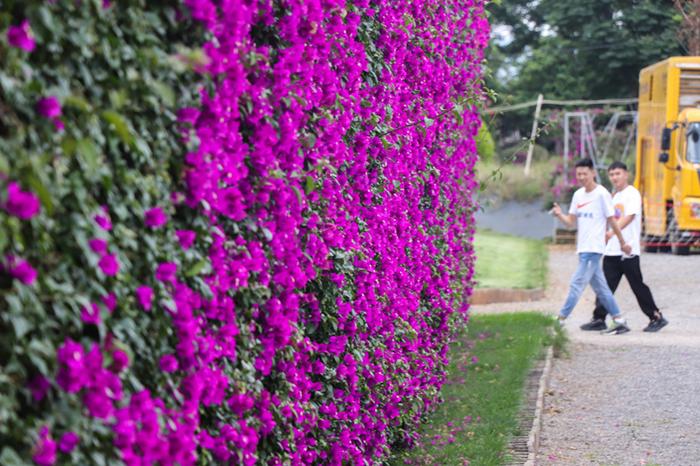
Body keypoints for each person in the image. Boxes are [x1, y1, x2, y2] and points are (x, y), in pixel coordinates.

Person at [579, 161, 668, 332]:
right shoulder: (614, 196)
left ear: (626, 174)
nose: (614, 178)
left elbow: (629, 217)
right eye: (611, 175)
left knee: (637, 285)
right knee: (605, 286)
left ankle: (656, 316)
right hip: (612, 250)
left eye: (617, 174)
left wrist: (613, 233)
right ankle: (598, 318)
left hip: (628, 249)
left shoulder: (632, 194)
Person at [551, 158, 632, 335]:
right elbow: (571, 223)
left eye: (584, 173)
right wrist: (559, 215)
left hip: (594, 249)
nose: (581, 177)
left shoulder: (602, 194)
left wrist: (622, 242)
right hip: (582, 249)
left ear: (593, 173)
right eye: (578, 174)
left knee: (576, 283)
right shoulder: (578, 195)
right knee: (602, 289)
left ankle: (560, 320)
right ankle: (619, 320)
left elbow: (613, 221)